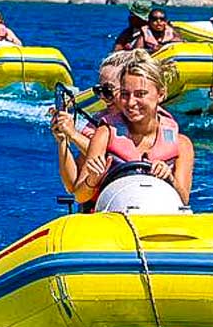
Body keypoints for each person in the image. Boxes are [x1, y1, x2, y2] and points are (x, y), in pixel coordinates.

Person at [55, 51, 194, 209]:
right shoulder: (104, 133)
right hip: (112, 219)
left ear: (161, 94)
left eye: (140, 94)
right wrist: (93, 179)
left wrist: (169, 178)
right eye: (125, 94)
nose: (131, 102)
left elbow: (183, 200)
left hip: (158, 220)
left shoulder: (182, 144)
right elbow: (79, 196)